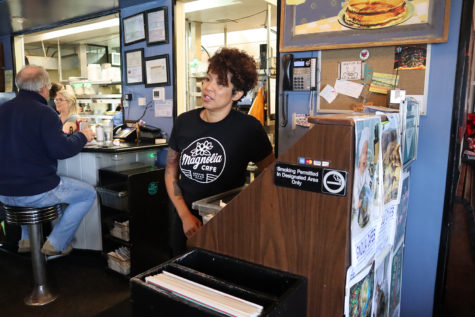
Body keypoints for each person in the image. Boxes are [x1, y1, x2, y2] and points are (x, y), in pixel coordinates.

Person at [165, 47, 275, 256]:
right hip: (183, 219)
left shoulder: (248, 128)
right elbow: (171, 172)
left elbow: (270, 174)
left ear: (238, 94)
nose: (208, 88)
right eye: (208, 79)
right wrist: (184, 214)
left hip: (227, 222)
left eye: (220, 83)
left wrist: (246, 208)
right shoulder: (184, 121)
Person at [0, 65, 96, 256]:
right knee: (87, 194)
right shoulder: (44, 113)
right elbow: (62, 149)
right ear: (44, 87)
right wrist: (83, 136)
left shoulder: (2, 110)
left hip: (4, 193)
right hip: (35, 190)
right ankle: (56, 243)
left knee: (27, 196)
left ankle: (27, 239)